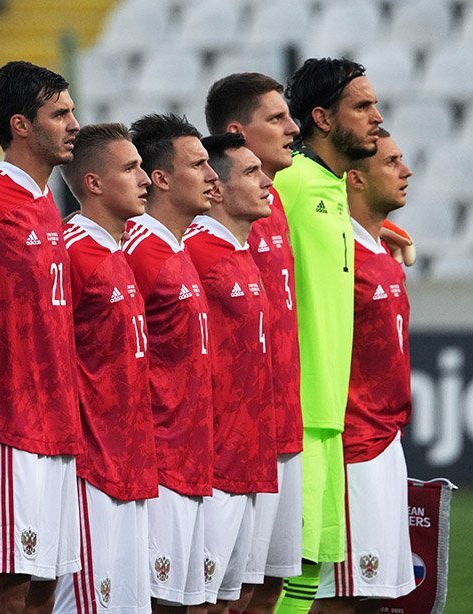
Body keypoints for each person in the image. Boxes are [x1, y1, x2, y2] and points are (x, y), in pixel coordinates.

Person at [0, 60, 82, 614]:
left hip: (56, 424)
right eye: (60, 114)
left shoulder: (44, 202)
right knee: (8, 586)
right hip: (6, 423)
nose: (74, 124)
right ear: (21, 125)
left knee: (44, 589)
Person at [271, 57, 383, 614]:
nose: (376, 118)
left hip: (328, 413)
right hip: (295, 408)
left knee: (310, 569)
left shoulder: (335, 187)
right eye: (362, 106)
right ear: (321, 117)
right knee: (280, 571)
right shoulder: (290, 181)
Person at [204, 73, 303, 613]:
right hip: (234, 434)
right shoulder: (206, 224)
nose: (293, 128)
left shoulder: (274, 202)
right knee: (228, 592)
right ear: (238, 132)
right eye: (277, 118)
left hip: (281, 421)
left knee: (268, 586)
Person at [54, 123, 158, 613]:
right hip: (90, 466)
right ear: (93, 183)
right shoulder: (70, 250)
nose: (145, 179)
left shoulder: (119, 248)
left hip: (130, 461)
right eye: (130, 168)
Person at [314, 129, 415, 612]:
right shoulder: (337, 253)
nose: (406, 171)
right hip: (353, 443)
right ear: (354, 178)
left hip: (387, 438)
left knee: (375, 598)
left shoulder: (380, 252)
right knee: (342, 598)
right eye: (391, 162)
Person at [123, 113, 218, 614]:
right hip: (156, 462)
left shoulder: (176, 248)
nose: (212, 175)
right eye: (198, 165)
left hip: (192, 458)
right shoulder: (136, 249)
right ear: (160, 178)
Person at [184, 133, 277, 614]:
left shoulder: (241, 251)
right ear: (216, 188)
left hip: (248, 456)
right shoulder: (193, 252)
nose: (266, 182)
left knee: (234, 600)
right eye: (251, 172)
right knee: (196, 603)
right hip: (212, 462)